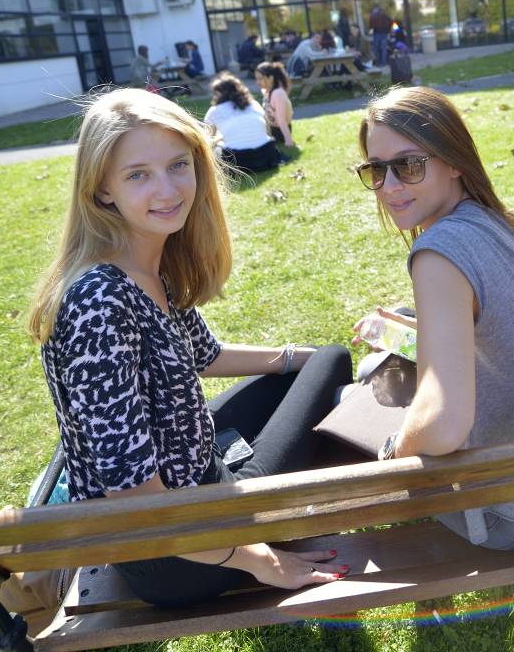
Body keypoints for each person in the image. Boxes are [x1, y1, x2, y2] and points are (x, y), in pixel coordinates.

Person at [24, 88, 353, 608]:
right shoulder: (99, 305)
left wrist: (295, 359)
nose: (168, 189)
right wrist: (259, 559)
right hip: (175, 551)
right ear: (102, 190)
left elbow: (206, 355)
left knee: (314, 360)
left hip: (192, 476)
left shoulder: (147, 262)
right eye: (138, 174)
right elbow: (136, 500)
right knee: (334, 360)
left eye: (179, 164)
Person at [353, 87, 514, 549]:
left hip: (512, 514)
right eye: (376, 170)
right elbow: (491, 342)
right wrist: (403, 334)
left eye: (409, 165)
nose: (390, 185)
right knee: (394, 332)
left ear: (453, 160)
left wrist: (392, 454)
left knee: (360, 392)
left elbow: (443, 423)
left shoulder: (438, 254)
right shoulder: (490, 219)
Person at [203, 72, 281, 173]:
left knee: (216, 148)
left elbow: (206, 139)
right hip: (267, 155)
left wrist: (218, 140)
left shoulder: (214, 111)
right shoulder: (253, 104)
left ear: (218, 94)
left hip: (238, 162)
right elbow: (268, 131)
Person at [256, 61, 295, 148]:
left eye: (260, 78)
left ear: (271, 78)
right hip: (270, 128)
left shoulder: (278, 94)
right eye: (257, 79)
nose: (257, 82)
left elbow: (281, 120)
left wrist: (289, 141)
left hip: (278, 131)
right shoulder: (267, 91)